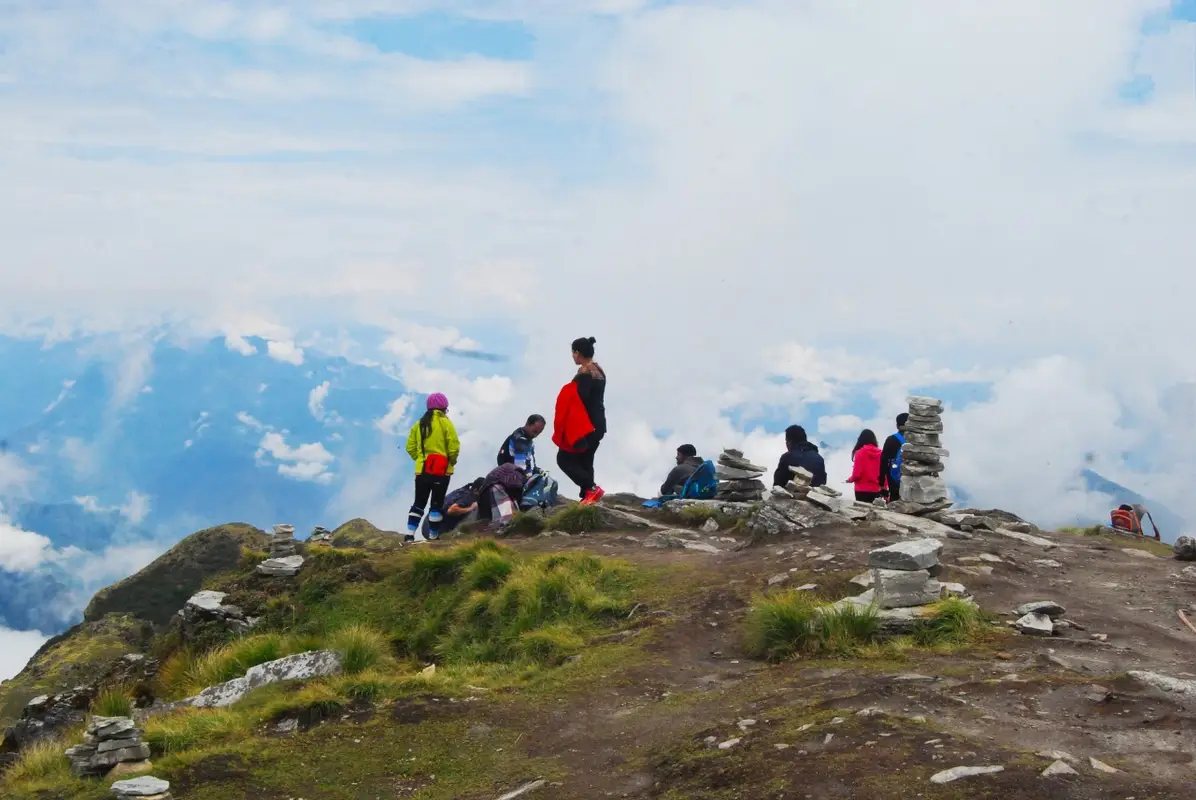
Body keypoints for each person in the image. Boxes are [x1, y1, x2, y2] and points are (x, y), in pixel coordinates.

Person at [552, 336, 606, 506]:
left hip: (586, 425)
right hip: (599, 424)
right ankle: (587, 496)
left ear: (577, 353)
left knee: (564, 459)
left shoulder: (584, 373)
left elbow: (580, 400)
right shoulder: (599, 370)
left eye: (573, 353)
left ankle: (590, 488)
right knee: (585, 460)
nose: (572, 357)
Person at [404, 393, 460, 542]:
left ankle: (409, 535)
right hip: (442, 472)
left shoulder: (419, 424)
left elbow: (410, 447)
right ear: (444, 408)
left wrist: (421, 459)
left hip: (422, 470)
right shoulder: (446, 424)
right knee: (436, 504)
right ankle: (434, 536)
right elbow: (454, 447)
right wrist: (451, 462)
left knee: (418, 503)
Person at [846, 429, 884, 503]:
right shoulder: (881, 453)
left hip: (861, 491)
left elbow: (857, 475)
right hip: (876, 490)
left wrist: (850, 479)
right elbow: (884, 474)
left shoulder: (860, 453)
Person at [879, 413, 908, 502]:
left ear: (897, 425)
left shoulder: (891, 440)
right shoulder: (918, 440)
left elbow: (884, 460)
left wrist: (881, 481)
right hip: (913, 480)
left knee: (895, 501)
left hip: (895, 478)